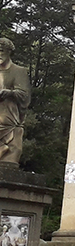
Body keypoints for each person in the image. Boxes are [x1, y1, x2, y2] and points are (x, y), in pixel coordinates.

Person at [0, 37, 32, 166]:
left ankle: (5, 150)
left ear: (9, 52)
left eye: (1, 51)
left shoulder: (18, 71)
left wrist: (9, 93)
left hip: (9, 114)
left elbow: (24, 95)